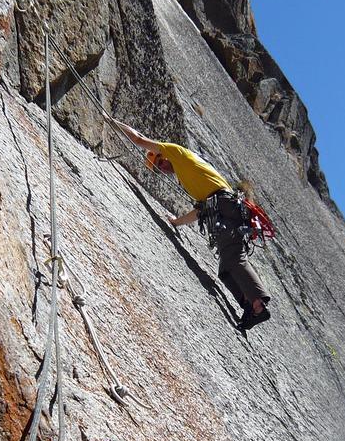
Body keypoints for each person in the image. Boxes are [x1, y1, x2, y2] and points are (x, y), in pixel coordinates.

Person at [113, 120, 271, 331]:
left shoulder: (178, 153)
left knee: (235, 257)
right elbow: (201, 211)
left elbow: (138, 139)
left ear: (163, 156)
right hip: (222, 209)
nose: (162, 169)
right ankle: (248, 307)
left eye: (159, 163)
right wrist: (176, 222)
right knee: (225, 270)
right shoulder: (188, 178)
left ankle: (258, 304)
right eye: (157, 169)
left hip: (225, 206)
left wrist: (112, 121)